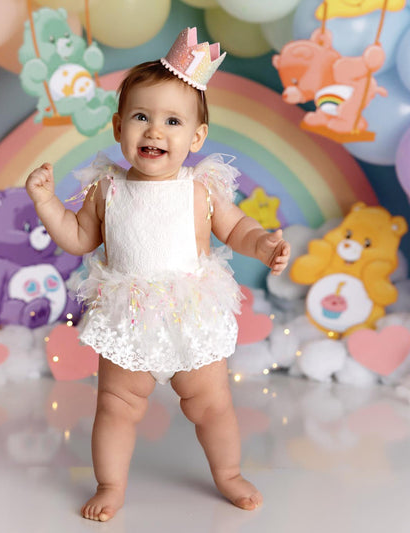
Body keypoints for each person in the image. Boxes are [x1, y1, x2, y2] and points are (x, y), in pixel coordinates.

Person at [26, 27, 290, 522]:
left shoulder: (201, 186)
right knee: (116, 406)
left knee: (212, 405)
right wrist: (45, 202)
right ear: (118, 124)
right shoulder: (106, 188)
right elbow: (80, 238)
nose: (154, 131)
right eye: (141, 117)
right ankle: (111, 483)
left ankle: (228, 473)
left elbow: (237, 228)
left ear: (196, 137)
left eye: (172, 121)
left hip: (190, 312)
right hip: (130, 315)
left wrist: (265, 244)